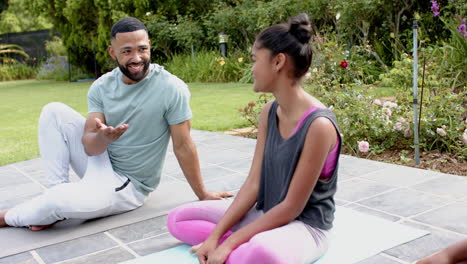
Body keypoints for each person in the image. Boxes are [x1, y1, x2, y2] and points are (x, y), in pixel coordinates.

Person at [0, 17, 231, 231]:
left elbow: (183, 145)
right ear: (113, 52)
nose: (137, 58)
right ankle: (54, 199)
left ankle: (12, 216)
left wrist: (202, 193)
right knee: (53, 112)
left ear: (150, 45)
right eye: (127, 51)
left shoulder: (171, 88)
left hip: (128, 184)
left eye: (142, 49)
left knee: (57, 201)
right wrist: (103, 137)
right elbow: (90, 148)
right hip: (99, 161)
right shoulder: (101, 87)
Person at [166, 13, 341, 264]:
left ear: (278, 61)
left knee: (262, 252)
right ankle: (239, 249)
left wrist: (229, 242)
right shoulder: (269, 112)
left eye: (255, 59)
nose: (252, 68)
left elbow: (292, 207)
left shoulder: (319, 126)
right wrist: (215, 238)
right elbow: (253, 184)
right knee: (178, 219)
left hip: (305, 227)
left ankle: (244, 247)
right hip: (264, 213)